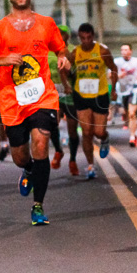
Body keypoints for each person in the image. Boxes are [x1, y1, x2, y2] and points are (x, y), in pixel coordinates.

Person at [0, 0, 69, 226]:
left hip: (42, 97)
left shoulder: (46, 24)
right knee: (20, 157)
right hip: (12, 101)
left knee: (40, 144)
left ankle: (38, 206)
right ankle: (27, 169)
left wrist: (63, 56)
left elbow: (60, 47)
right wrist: (2, 60)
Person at [68, 22, 117, 180]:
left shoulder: (102, 51)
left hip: (99, 94)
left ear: (93, 37)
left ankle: (105, 138)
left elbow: (113, 68)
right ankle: (90, 166)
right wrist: (66, 85)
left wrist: (114, 89)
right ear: (79, 38)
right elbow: (64, 69)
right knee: (87, 132)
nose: (86, 41)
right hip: (81, 95)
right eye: (83, 38)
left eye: (89, 38)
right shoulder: (75, 53)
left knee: (98, 132)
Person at [49, 24, 78, 172]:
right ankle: (58, 150)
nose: (59, 36)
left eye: (62, 34)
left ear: (68, 36)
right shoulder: (47, 51)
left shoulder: (73, 50)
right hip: (52, 93)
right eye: (56, 33)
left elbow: (77, 73)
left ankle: (72, 159)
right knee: (52, 123)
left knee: (72, 129)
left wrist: (69, 71)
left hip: (69, 94)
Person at [114, 44, 137, 147]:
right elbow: (109, 74)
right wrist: (118, 75)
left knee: (132, 113)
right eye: (122, 50)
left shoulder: (136, 61)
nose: (123, 51)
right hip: (122, 90)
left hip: (134, 89)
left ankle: (132, 137)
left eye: (126, 50)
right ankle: (134, 131)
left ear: (130, 51)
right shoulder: (117, 62)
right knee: (126, 114)